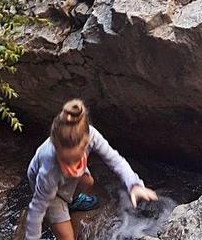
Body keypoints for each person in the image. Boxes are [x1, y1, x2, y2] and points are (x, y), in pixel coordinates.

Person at [22, 99, 158, 240]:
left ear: (86, 144)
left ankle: (72, 203)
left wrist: (134, 185)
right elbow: (36, 210)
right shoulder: (47, 170)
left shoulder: (91, 135)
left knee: (88, 182)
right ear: (56, 148)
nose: (69, 166)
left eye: (74, 160)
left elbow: (116, 160)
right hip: (50, 187)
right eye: (65, 161)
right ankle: (60, 208)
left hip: (70, 175)